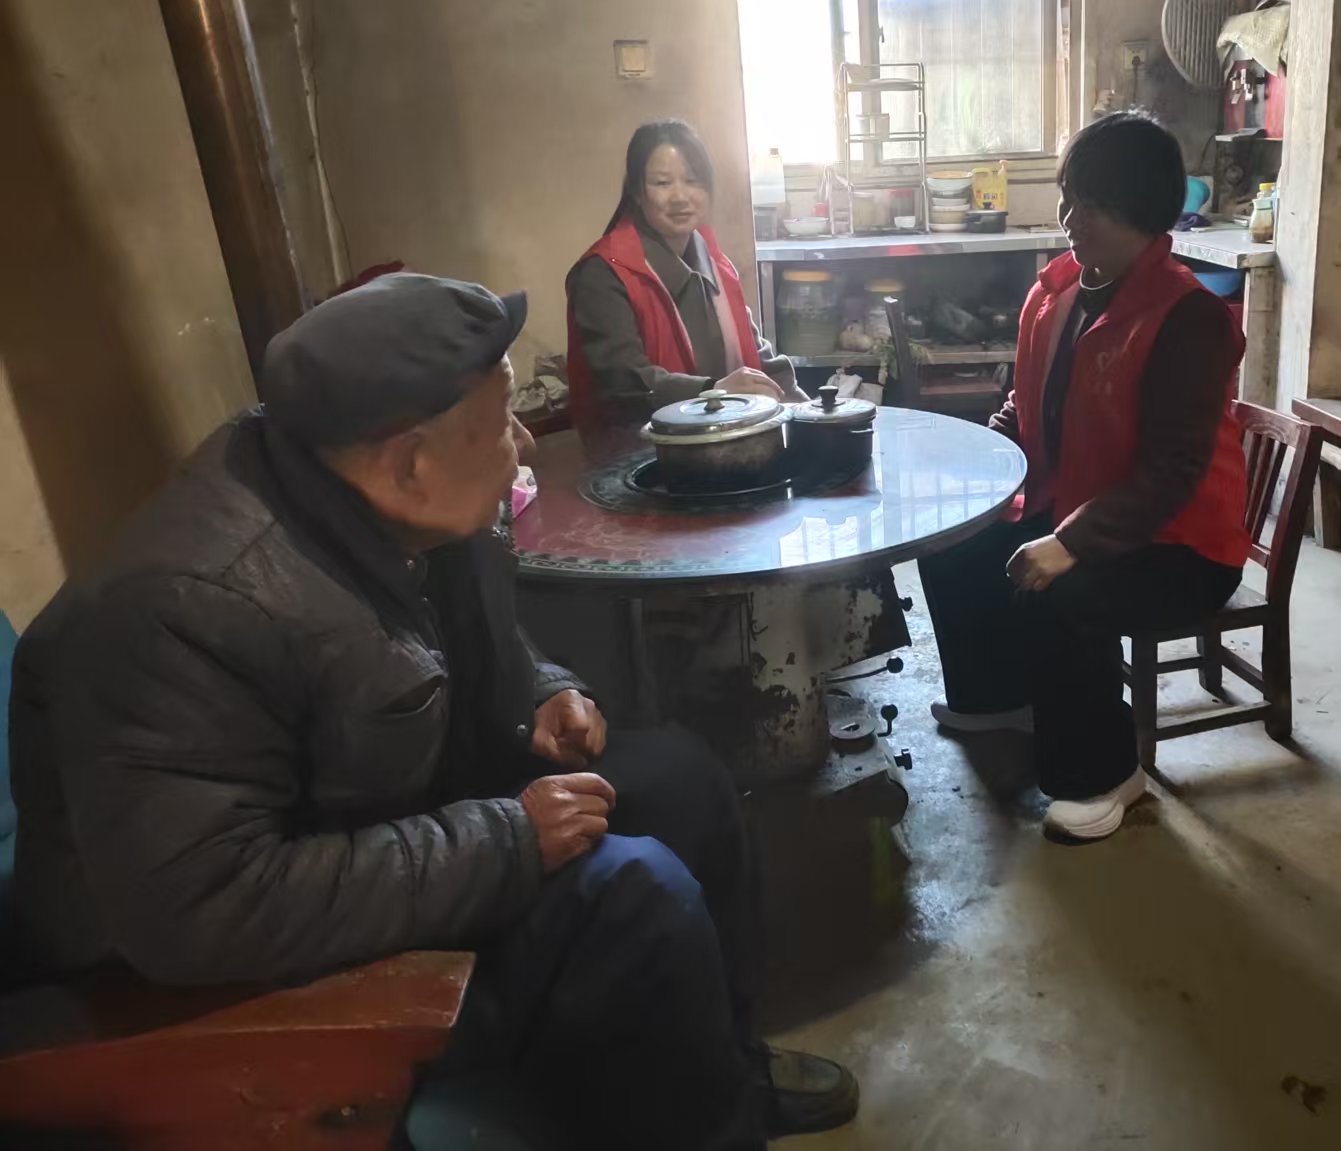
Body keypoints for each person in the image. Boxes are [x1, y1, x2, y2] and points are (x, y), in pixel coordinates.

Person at [7, 273, 856, 1148]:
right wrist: (507, 840)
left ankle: (726, 1071)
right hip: (220, 969)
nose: (522, 442)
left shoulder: (379, 491)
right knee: (632, 892)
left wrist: (540, 688)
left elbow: (455, 637)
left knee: (682, 778)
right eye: (502, 421)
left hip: (374, 809)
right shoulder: (181, 611)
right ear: (410, 463)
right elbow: (202, 910)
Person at [919, 111, 1250, 842]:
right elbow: (1027, 401)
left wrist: (1069, 543)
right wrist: (980, 461)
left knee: (1060, 592)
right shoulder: (1061, 289)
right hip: (1076, 504)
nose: (1070, 219)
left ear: (1141, 213)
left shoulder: (1187, 318)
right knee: (951, 541)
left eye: (1091, 206)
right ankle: (999, 697)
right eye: (1068, 199)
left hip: (1178, 543)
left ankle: (1106, 774)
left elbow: (1171, 474)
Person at [566, 119, 804, 432]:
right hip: (641, 451)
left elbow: (754, 353)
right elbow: (623, 381)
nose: (680, 196)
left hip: (722, 441)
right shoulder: (604, 273)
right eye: (663, 183)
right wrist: (713, 391)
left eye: (692, 180)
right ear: (636, 191)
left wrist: (805, 408)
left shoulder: (714, 262)